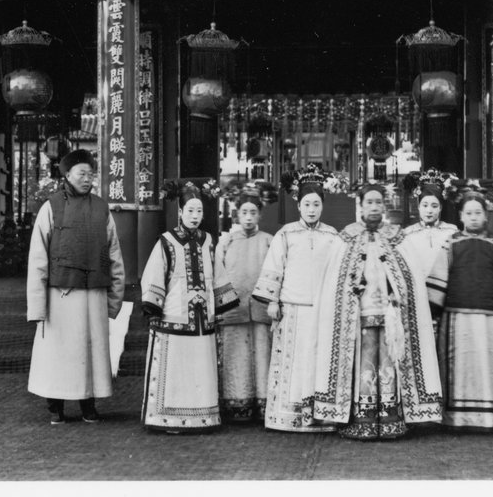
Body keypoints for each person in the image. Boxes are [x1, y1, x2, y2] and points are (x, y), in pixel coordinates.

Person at [311, 184, 442, 440]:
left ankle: (391, 419)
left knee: (390, 364)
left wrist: (396, 291)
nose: (373, 207)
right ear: (360, 206)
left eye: (378, 202)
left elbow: (408, 275)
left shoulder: (396, 236)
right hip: (359, 316)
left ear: (384, 206)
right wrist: (353, 288)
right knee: (364, 365)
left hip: (391, 315)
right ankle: (363, 420)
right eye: (368, 202)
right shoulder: (346, 237)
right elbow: (336, 281)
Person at [26, 149, 125, 425]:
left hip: (93, 294)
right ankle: (55, 406)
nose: (87, 178)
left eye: (90, 173)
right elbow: (38, 258)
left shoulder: (101, 208)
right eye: (81, 173)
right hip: (60, 295)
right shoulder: (51, 207)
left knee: (90, 353)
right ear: (67, 175)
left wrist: (114, 300)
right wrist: (37, 304)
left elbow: (114, 255)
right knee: (58, 353)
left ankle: (88, 405)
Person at [425, 190, 493, 431]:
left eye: (478, 213)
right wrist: (433, 309)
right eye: (469, 213)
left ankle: (492, 417)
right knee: (457, 366)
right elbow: (439, 277)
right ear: (461, 215)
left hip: (489, 318)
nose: (473, 217)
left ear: (486, 217)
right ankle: (456, 419)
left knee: (489, 364)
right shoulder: (451, 244)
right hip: (456, 318)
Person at [139, 184, 238, 433]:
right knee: (176, 370)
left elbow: (217, 275)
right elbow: (154, 275)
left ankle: (204, 417)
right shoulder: (166, 241)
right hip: (173, 315)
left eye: (199, 211)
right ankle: (167, 418)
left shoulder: (208, 242)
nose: (195, 215)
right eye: (190, 210)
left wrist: (220, 303)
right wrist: (154, 308)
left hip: (203, 320)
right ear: (180, 211)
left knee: (200, 369)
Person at [251, 171, 342, 433]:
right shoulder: (286, 234)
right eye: (306, 204)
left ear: (322, 206)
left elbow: (338, 272)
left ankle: (320, 415)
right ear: (298, 205)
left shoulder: (332, 237)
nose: (311, 209)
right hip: (292, 309)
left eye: (316, 204)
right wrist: (273, 301)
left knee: (318, 361)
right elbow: (275, 269)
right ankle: (287, 417)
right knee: (294, 364)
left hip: (322, 312)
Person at [214, 190, 274, 422]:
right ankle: (236, 404)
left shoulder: (270, 241)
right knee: (235, 356)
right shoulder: (226, 242)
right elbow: (217, 274)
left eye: (253, 212)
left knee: (262, 356)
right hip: (232, 308)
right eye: (244, 212)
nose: (248, 217)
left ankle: (263, 403)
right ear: (236, 215)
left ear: (259, 215)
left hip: (261, 308)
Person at [397, 173, 458, 279]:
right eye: (425, 205)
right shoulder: (408, 234)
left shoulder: (451, 232)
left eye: (434, 206)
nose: (429, 210)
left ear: (440, 208)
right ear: (418, 207)